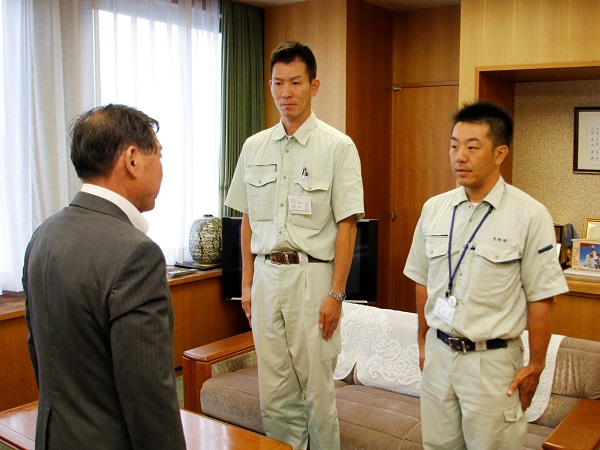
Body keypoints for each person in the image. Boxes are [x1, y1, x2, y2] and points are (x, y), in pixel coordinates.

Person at [403, 101, 568, 449]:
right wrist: (423, 341)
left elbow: (542, 296)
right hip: (439, 356)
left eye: (472, 147)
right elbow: (421, 279)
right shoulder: (434, 209)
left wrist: (535, 365)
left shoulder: (530, 215)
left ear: (499, 153)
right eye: (453, 145)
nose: (459, 156)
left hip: (491, 364)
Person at [224, 41, 364, 450]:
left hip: (312, 276)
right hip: (267, 276)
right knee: (275, 392)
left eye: (295, 82)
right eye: (277, 83)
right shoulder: (254, 147)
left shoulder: (338, 147)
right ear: (270, 86)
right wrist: (248, 285)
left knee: (317, 391)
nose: (285, 92)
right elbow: (247, 220)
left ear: (314, 86)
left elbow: (347, 226)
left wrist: (336, 292)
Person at [22, 104, 186, 450]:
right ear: (132, 159)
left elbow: (41, 353)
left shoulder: (43, 236)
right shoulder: (135, 254)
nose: (161, 168)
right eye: (158, 154)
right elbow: (149, 397)